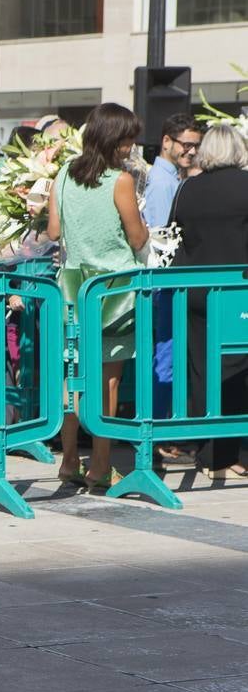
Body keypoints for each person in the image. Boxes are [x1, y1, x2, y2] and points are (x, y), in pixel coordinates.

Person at [47, 103, 148, 490]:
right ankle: (100, 464)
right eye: (127, 139)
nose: (130, 146)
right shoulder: (120, 180)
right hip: (112, 287)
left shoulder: (64, 174)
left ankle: (70, 459)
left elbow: (54, 233)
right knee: (108, 381)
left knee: (74, 377)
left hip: (72, 284)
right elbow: (136, 236)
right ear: (113, 138)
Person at [171, 124, 248, 479]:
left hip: (195, 290)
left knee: (202, 369)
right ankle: (228, 454)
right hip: (238, 290)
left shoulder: (188, 189)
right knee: (236, 369)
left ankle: (209, 452)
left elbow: (174, 231)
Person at [142, 114, 204, 465]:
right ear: (167, 142)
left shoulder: (168, 178)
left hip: (165, 281)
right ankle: (161, 435)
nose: (191, 151)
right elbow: (163, 235)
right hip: (163, 281)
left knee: (165, 355)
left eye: (196, 145)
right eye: (186, 144)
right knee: (165, 356)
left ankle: (161, 431)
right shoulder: (163, 183)